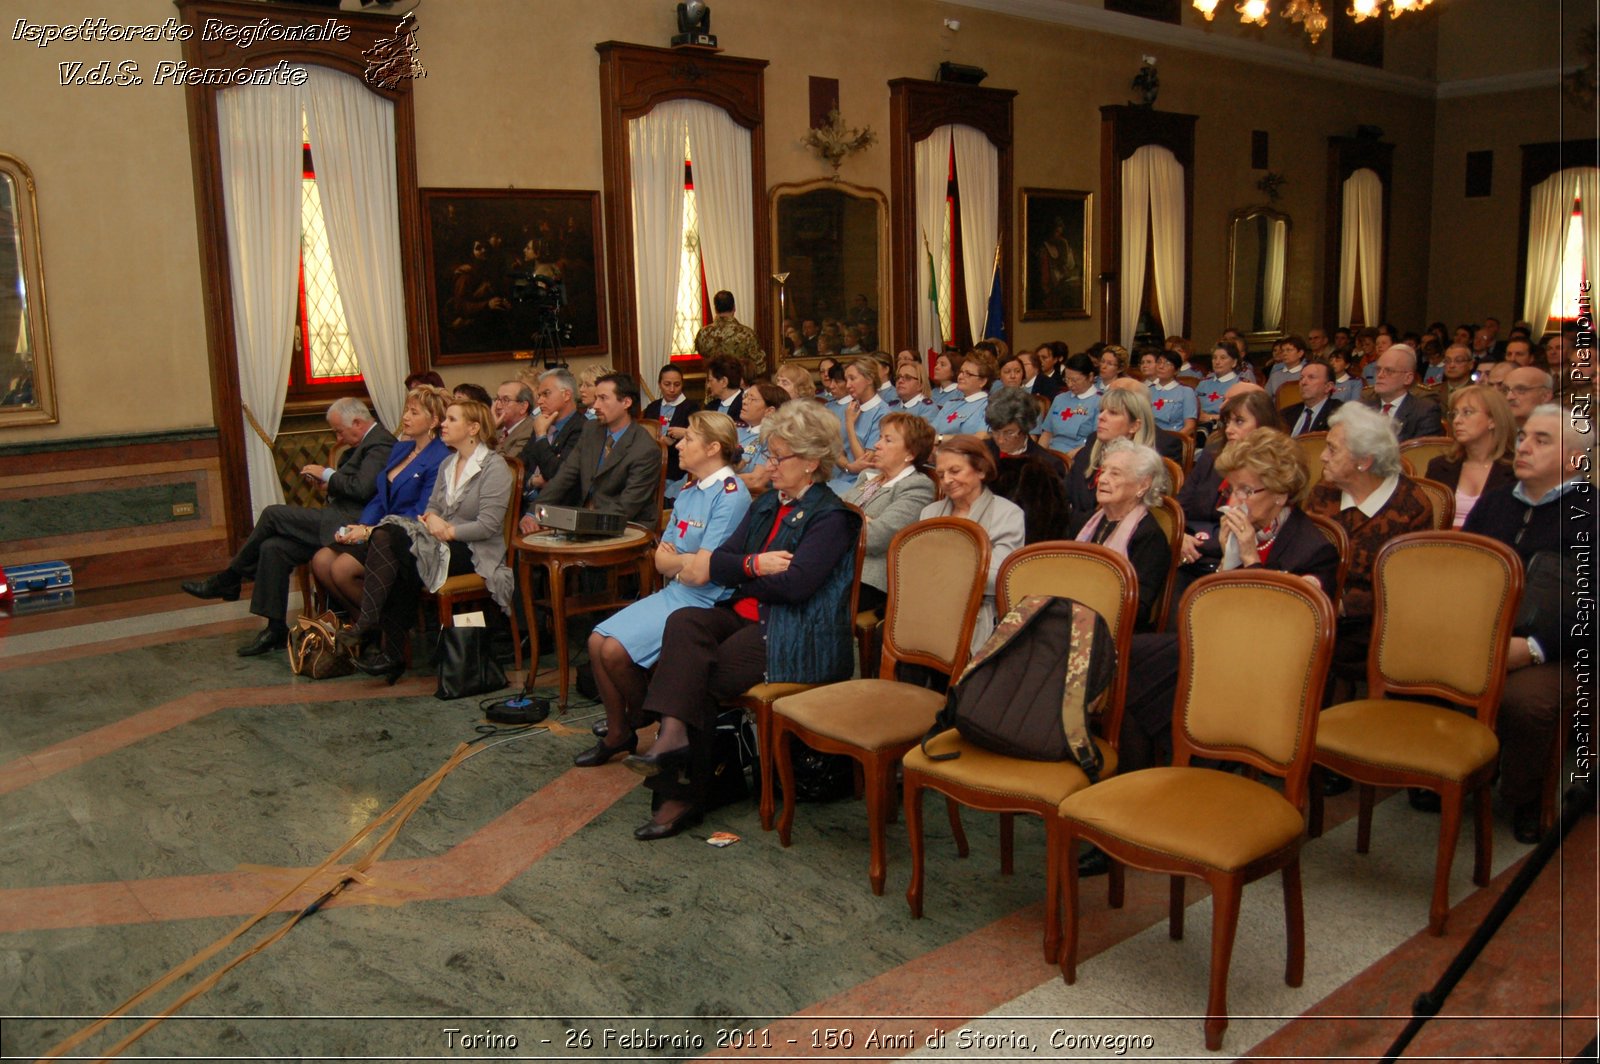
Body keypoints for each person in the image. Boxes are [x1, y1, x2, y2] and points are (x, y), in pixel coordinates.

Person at [622, 402, 863, 839]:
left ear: (810, 462)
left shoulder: (832, 518)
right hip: (744, 616)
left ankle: (681, 793)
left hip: (794, 633)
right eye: (768, 455)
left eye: (777, 457)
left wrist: (742, 573)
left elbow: (796, 588)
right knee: (684, 623)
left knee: (696, 674)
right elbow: (721, 561)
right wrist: (754, 567)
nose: (767, 465)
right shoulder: (768, 504)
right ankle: (680, 745)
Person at [1120, 429, 1339, 772]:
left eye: (1246, 491)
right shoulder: (1239, 531)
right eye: (1231, 489)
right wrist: (1229, 559)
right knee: (1129, 657)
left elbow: (1286, 628)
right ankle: (1148, 776)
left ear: (1281, 494)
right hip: (1221, 645)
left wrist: (1250, 558)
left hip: (1269, 663)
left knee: (1139, 672)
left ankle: (1190, 769)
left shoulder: (1312, 549)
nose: (1233, 501)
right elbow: (1216, 612)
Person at [578, 412, 752, 768]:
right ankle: (618, 732)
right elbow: (661, 560)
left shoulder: (731, 495)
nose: (680, 445)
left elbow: (704, 573)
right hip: (675, 591)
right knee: (597, 640)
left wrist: (682, 562)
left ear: (713, 448)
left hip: (707, 603)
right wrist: (682, 563)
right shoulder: (690, 490)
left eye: (689, 439)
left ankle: (646, 716)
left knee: (613, 651)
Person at [1464, 405, 1591, 842]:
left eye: (1542, 440)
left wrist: (1533, 647)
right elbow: (1465, 569)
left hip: (1559, 649)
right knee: (1429, 668)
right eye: (1523, 437)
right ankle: (1459, 774)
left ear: (1576, 459)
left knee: (1524, 700)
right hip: (1487, 632)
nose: (1524, 446)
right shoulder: (1497, 501)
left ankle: (1525, 799)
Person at [182, 397, 395, 656]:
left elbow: (362, 489)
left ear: (358, 423)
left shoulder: (380, 443)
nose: (337, 437)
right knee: (274, 547)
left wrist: (327, 474)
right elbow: (354, 486)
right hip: (336, 517)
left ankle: (230, 578)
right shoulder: (364, 444)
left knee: (273, 515)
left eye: (339, 431)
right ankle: (274, 628)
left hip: (352, 525)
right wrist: (328, 485)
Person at [335, 399, 514, 682]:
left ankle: (381, 639)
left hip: (474, 550)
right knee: (390, 545)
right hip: (439, 542)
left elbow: (488, 526)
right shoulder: (447, 463)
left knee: (395, 552)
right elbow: (431, 508)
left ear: (473, 428)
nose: (444, 424)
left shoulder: (495, 467)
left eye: (452, 420)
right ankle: (383, 642)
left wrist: (450, 531)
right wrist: (433, 520)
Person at [1306, 404, 1435, 681]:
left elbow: (1406, 588)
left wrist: (1340, 605)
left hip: (1374, 626)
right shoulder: (1324, 492)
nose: (1322, 457)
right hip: (1316, 609)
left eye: (1332, 449)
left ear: (1364, 461)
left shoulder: (1410, 506)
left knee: (1304, 651)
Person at [310, 385, 452, 622]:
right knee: (321, 560)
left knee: (341, 569)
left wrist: (369, 532)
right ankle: (367, 626)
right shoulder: (401, 448)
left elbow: (421, 512)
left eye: (414, 412)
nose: (405, 417)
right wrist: (360, 527)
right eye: (407, 410)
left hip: (405, 537)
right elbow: (379, 496)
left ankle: (387, 626)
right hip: (377, 530)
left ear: (434, 420)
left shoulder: (441, 458)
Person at [919, 436, 1026, 656]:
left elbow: (995, 577)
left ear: (981, 471)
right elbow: (916, 570)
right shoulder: (929, 513)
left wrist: (940, 572)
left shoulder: (1007, 514)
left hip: (977, 614)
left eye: (955, 471)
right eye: (940, 475)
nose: (947, 480)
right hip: (929, 609)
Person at [522, 373, 661, 531]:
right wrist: (533, 513)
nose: (595, 406)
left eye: (603, 398)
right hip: (586, 517)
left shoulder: (645, 449)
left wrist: (579, 525)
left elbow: (627, 507)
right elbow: (564, 477)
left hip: (627, 527)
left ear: (626, 402)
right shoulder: (591, 429)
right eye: (596, 398)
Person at [1175, 389, 1282, 583]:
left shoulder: (1274, 472)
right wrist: (1179, 536)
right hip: (1187, 554)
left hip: (1236, 563)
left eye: (1239, 421)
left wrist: (1201, 542)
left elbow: (1253, 532)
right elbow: (1179, 507)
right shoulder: (1211, 457)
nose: (1229, 429)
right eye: (1228, 422)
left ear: (1263, 426)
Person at [842, 412, 937, 616]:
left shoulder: (917, 486)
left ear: (910, 453)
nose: (877, 445)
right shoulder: (869, 477)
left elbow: (875, 537)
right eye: (879, 437)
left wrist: (844, 520)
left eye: (888, 440)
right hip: (838, 568)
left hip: (867, 580)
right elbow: (830, 511)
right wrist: (861, 520)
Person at [1073, 439, 1173, 631]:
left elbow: (1139, 610)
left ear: (1143, 485)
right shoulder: (1084, 522)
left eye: (1115, 474)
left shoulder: (1149, 537)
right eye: (1103, 471)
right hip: (1075, 617)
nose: (1102, 479)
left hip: (1115, 632)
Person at [1063, 385, 1161, 534]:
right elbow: (1063, 499)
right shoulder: (1086, 454)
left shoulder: (1145, 469)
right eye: (1102, 411)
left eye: (1113, 413)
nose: (1101, 417)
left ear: (1134, 426)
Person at [984, 386, 1070, 543]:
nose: (1001, 439)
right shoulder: (981, 453)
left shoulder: (1046, 465)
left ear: (1025, 429)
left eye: (1009, 432)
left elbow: (1047, 525)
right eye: (995, 431)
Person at [1425, 384, 1516, 528]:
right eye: (1454, 414)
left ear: (1492, 420)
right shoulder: (1439, 466)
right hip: (1442, 545)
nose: (1456, 421)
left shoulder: (1515, 469)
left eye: (1467, 412)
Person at [517, 367, 586, 508]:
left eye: (546, 394)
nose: (540, 401)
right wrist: (534, 481)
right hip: (525, 503)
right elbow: (519, 466)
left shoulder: (582, 428)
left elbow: (557, 474)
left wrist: (541, 436)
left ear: (567, 395)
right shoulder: (542, 424)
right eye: (539, 396)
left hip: (559, 509)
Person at [642, 364, 700, 497]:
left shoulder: (692, 408)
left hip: (678, 470)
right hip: (652, 467)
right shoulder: (652, 407)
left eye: (677, 384)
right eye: (667, 384)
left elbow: (700, 439)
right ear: (659, 384)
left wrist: (676, 439)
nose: (672, 389)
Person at [1365, 343, 1442, 442]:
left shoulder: (1425, 411)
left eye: (1389, 371)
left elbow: (1420, 454)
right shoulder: (1363, 407)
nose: (1380, 375)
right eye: (1378, 369)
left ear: (1408, 378)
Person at [832, 358, 887, 493]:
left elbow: (864, 463)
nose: (848, 385)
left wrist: (849, 424)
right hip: (842, 476)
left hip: (865, 483)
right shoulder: (851, 408)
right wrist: (848, 466)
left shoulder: (882, 413)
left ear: (869, 379)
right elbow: (835, 450)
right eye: (846, 379)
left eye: (852, 378)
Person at [693, 289, 765, 379]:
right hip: (738, 386)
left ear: (715, 309)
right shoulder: (747, 334)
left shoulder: (703, 334)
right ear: (734, 307)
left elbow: (704, 359)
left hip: (714, 385)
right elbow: (760, 367)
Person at [1040, 353, 1101, 454]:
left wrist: (1069, 456)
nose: (1070, 384)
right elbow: (1047, 433)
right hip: (1052, 451)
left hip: (1080, 453)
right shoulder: (1060, 399)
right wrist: (1039, 455)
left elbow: (1097, 441)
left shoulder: (1100, 401)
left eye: (1075, 380)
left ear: (1090, 377)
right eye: (1067, 379)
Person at [735, 382, 788, 492]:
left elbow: (756, 480)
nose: (744, 402)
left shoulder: (773, 438)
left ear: (769, 411)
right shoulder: (735, 431)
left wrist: (718, 479)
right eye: (746, 397)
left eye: (752, 399)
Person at [1280, 358, 1343, 438]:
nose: (1303, 382)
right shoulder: (1286, 414)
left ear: (1328, 386)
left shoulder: (1339, 413)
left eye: (1311, 377)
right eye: (1301, 378)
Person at [938, 351, 995, 437]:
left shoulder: (990, 406)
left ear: (983, 381)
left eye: (968, 374)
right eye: (961, 372)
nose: (960, 377)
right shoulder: (950, 404)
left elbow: (980, 437)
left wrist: (940, 439)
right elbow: (931, 434)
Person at [1194, 342, 1245, 431]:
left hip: (1224, 428)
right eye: (1214, 358)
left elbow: (1242, 415)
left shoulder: (1241, 385)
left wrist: (1212, 417)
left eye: (1223, 358)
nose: (1217, 362)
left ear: (1234, 362)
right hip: (1197, 426)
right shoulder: (1203, 384)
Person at [1146, 348, 1198, 435]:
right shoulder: (1147, 391)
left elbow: (1190, 426)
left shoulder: (1186, 392)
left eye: (1167, 363)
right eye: (1159, 362)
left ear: (1176, 371)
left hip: (1174, 438)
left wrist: (1172, 440)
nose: (1161, 366)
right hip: (1149, 437)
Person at [491, 380, 536, 457]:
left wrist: (491, 434)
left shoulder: (530, 431)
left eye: (505, 400)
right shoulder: (498, 427)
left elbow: (509, 466)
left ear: (523, 407)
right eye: (497, 399)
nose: (498, 406)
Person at [892, 360, 939, 426]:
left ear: (920, 385)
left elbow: (923, 435)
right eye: (898, 377)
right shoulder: (891, 406)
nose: (900, 381)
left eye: (907, 377)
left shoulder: (928, 409)